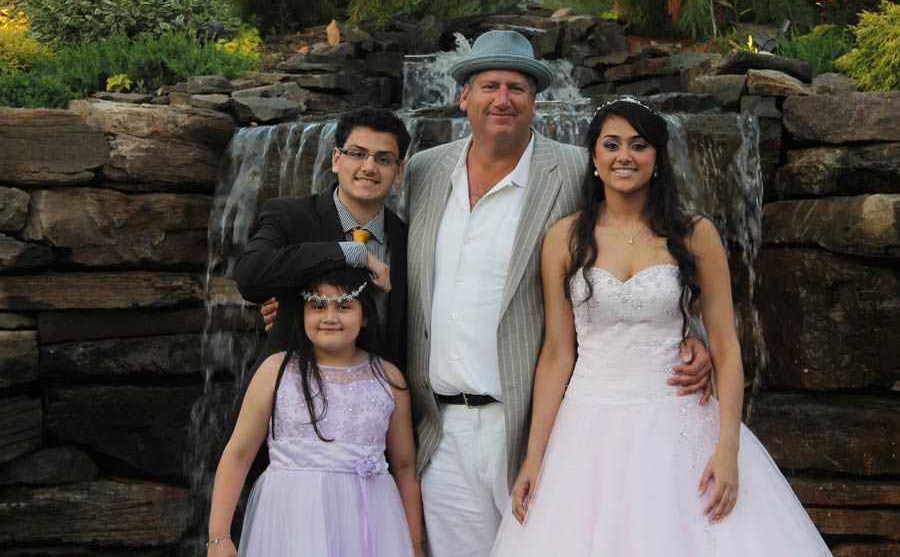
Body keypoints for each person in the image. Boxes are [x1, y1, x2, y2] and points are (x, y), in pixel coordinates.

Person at [400, 31, 713, 557]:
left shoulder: (576, 167)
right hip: (441, 430)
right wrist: (296, 298)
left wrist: (689, 333)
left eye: (517, 87)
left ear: (535, 99)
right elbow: (369, 235)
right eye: (490, 86)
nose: (503, 99)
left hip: (537, 423)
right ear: (464, 97)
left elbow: (655, 241)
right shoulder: (423, 171)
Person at [489, 97, 831, 556]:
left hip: (678, 419)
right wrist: (534, 458)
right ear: (593, 158)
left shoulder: (695, 234)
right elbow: (556, 353)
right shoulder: (565, 238)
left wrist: (728, 447)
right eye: (611, 145)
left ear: (657, 159)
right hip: (587, 423)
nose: (624, 156)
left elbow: (726, 346)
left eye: (638, 144)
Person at [207, 267, 424, 556]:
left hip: (370, 518)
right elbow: (239, 453)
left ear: (365, 317)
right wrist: (218, 536)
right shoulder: (276, 371)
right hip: (292, 517)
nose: (330, 317)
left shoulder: (389, 379)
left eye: (344, 306)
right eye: (318, 307)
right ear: (302, 314)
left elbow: (405, 466)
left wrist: (414, 544)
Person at [234, 106, 411, 369]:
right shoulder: (289, 215)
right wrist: (352, 252)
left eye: (383, 159)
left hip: (378, 398)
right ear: (336, 159)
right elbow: (249, 277)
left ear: (398, 172)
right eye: (358, 154)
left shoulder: (408, 239)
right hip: (294, 392)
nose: (369, 167)